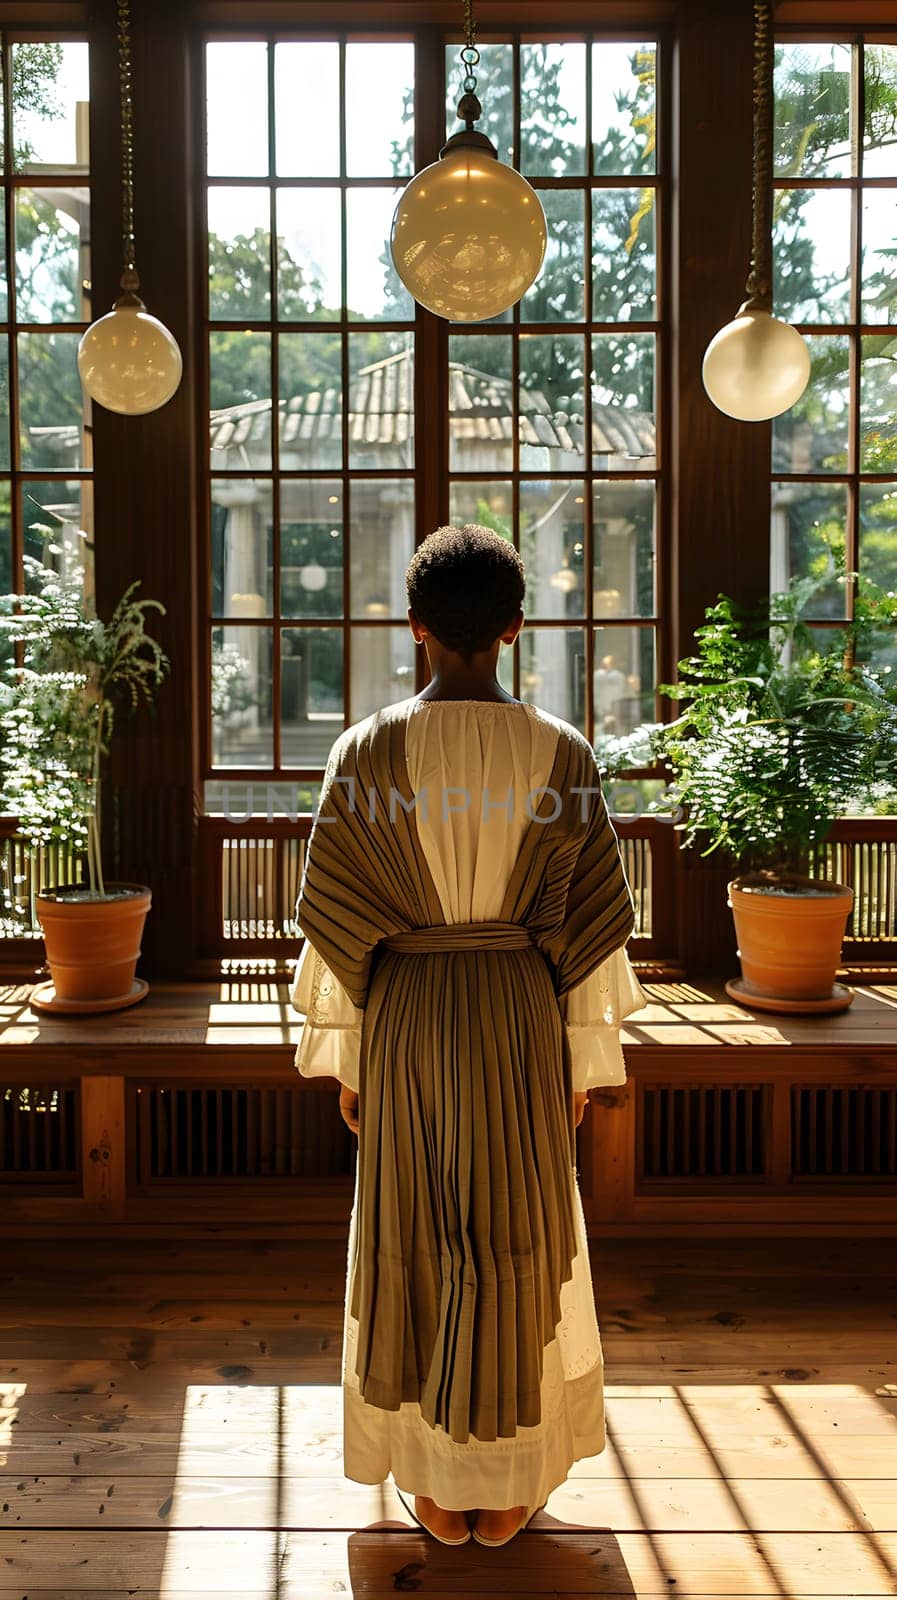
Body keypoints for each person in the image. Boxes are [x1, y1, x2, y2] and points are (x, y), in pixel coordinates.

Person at [290, 524, 646, 1547]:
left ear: (416, 631)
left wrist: (351, 1061)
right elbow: (588, 943)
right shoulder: (563, 754)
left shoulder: (364, 754)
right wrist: (579, 1065)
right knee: (519, 1237)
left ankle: (439, 1492)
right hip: (519, 1016)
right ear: (514, 630)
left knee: (415, 1230)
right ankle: (507, 1489)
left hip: (405, 1016)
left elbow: (339, 924)